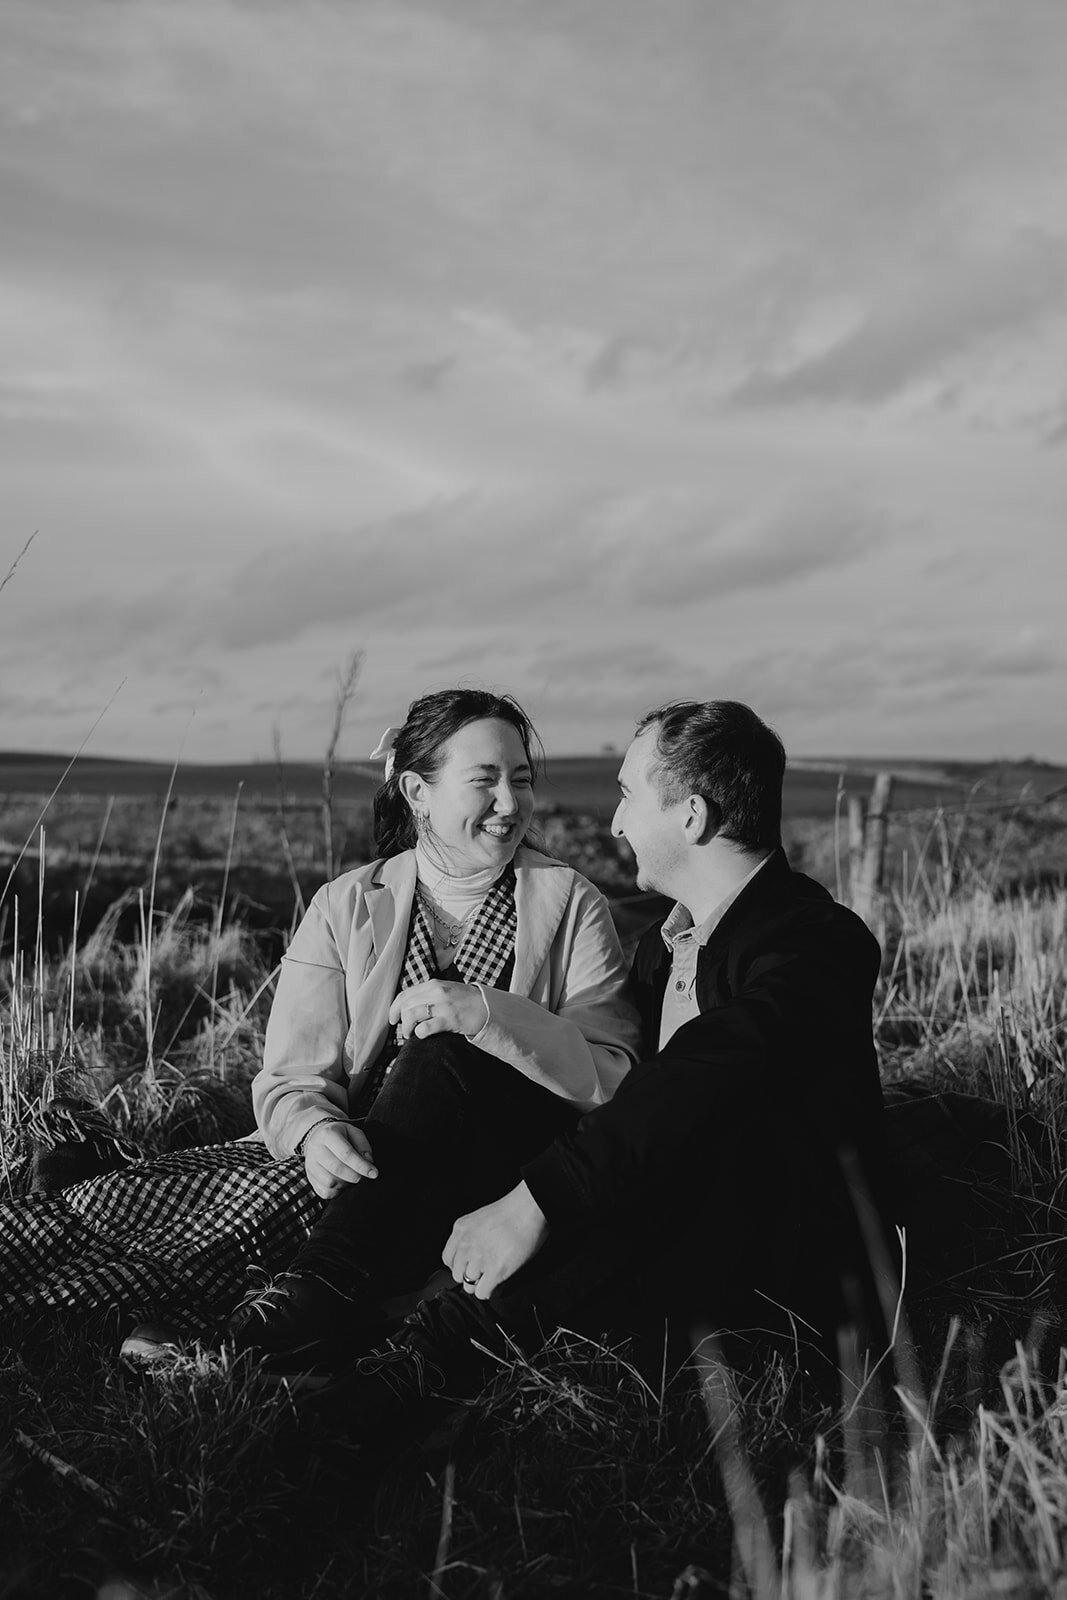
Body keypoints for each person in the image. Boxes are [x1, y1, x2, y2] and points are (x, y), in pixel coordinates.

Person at [272, 699, 894, 1424]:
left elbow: (694, 1084)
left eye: (627, 797)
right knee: (447, 1061)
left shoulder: (813, 942)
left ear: (690, 818)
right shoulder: (665, 952)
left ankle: (387, 1386)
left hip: (756, 1270)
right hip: (622, 1202)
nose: (615, 824)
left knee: (649, 1183)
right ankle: (308, 1311)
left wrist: (537, 1200)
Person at [0, 689, 638, 1345]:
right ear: (417, 791)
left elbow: (611, 1078)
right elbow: (290, 1079)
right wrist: (314, 1135)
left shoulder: (569, 903)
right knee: (147, 1206)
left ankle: (253, 1331)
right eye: (485, 780)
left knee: (271, 1197)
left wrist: (484, 1015)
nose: (510, 803)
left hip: (488, 1183)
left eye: (521, 780)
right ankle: (97, 1244)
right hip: (352, 1164)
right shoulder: (344, 904)